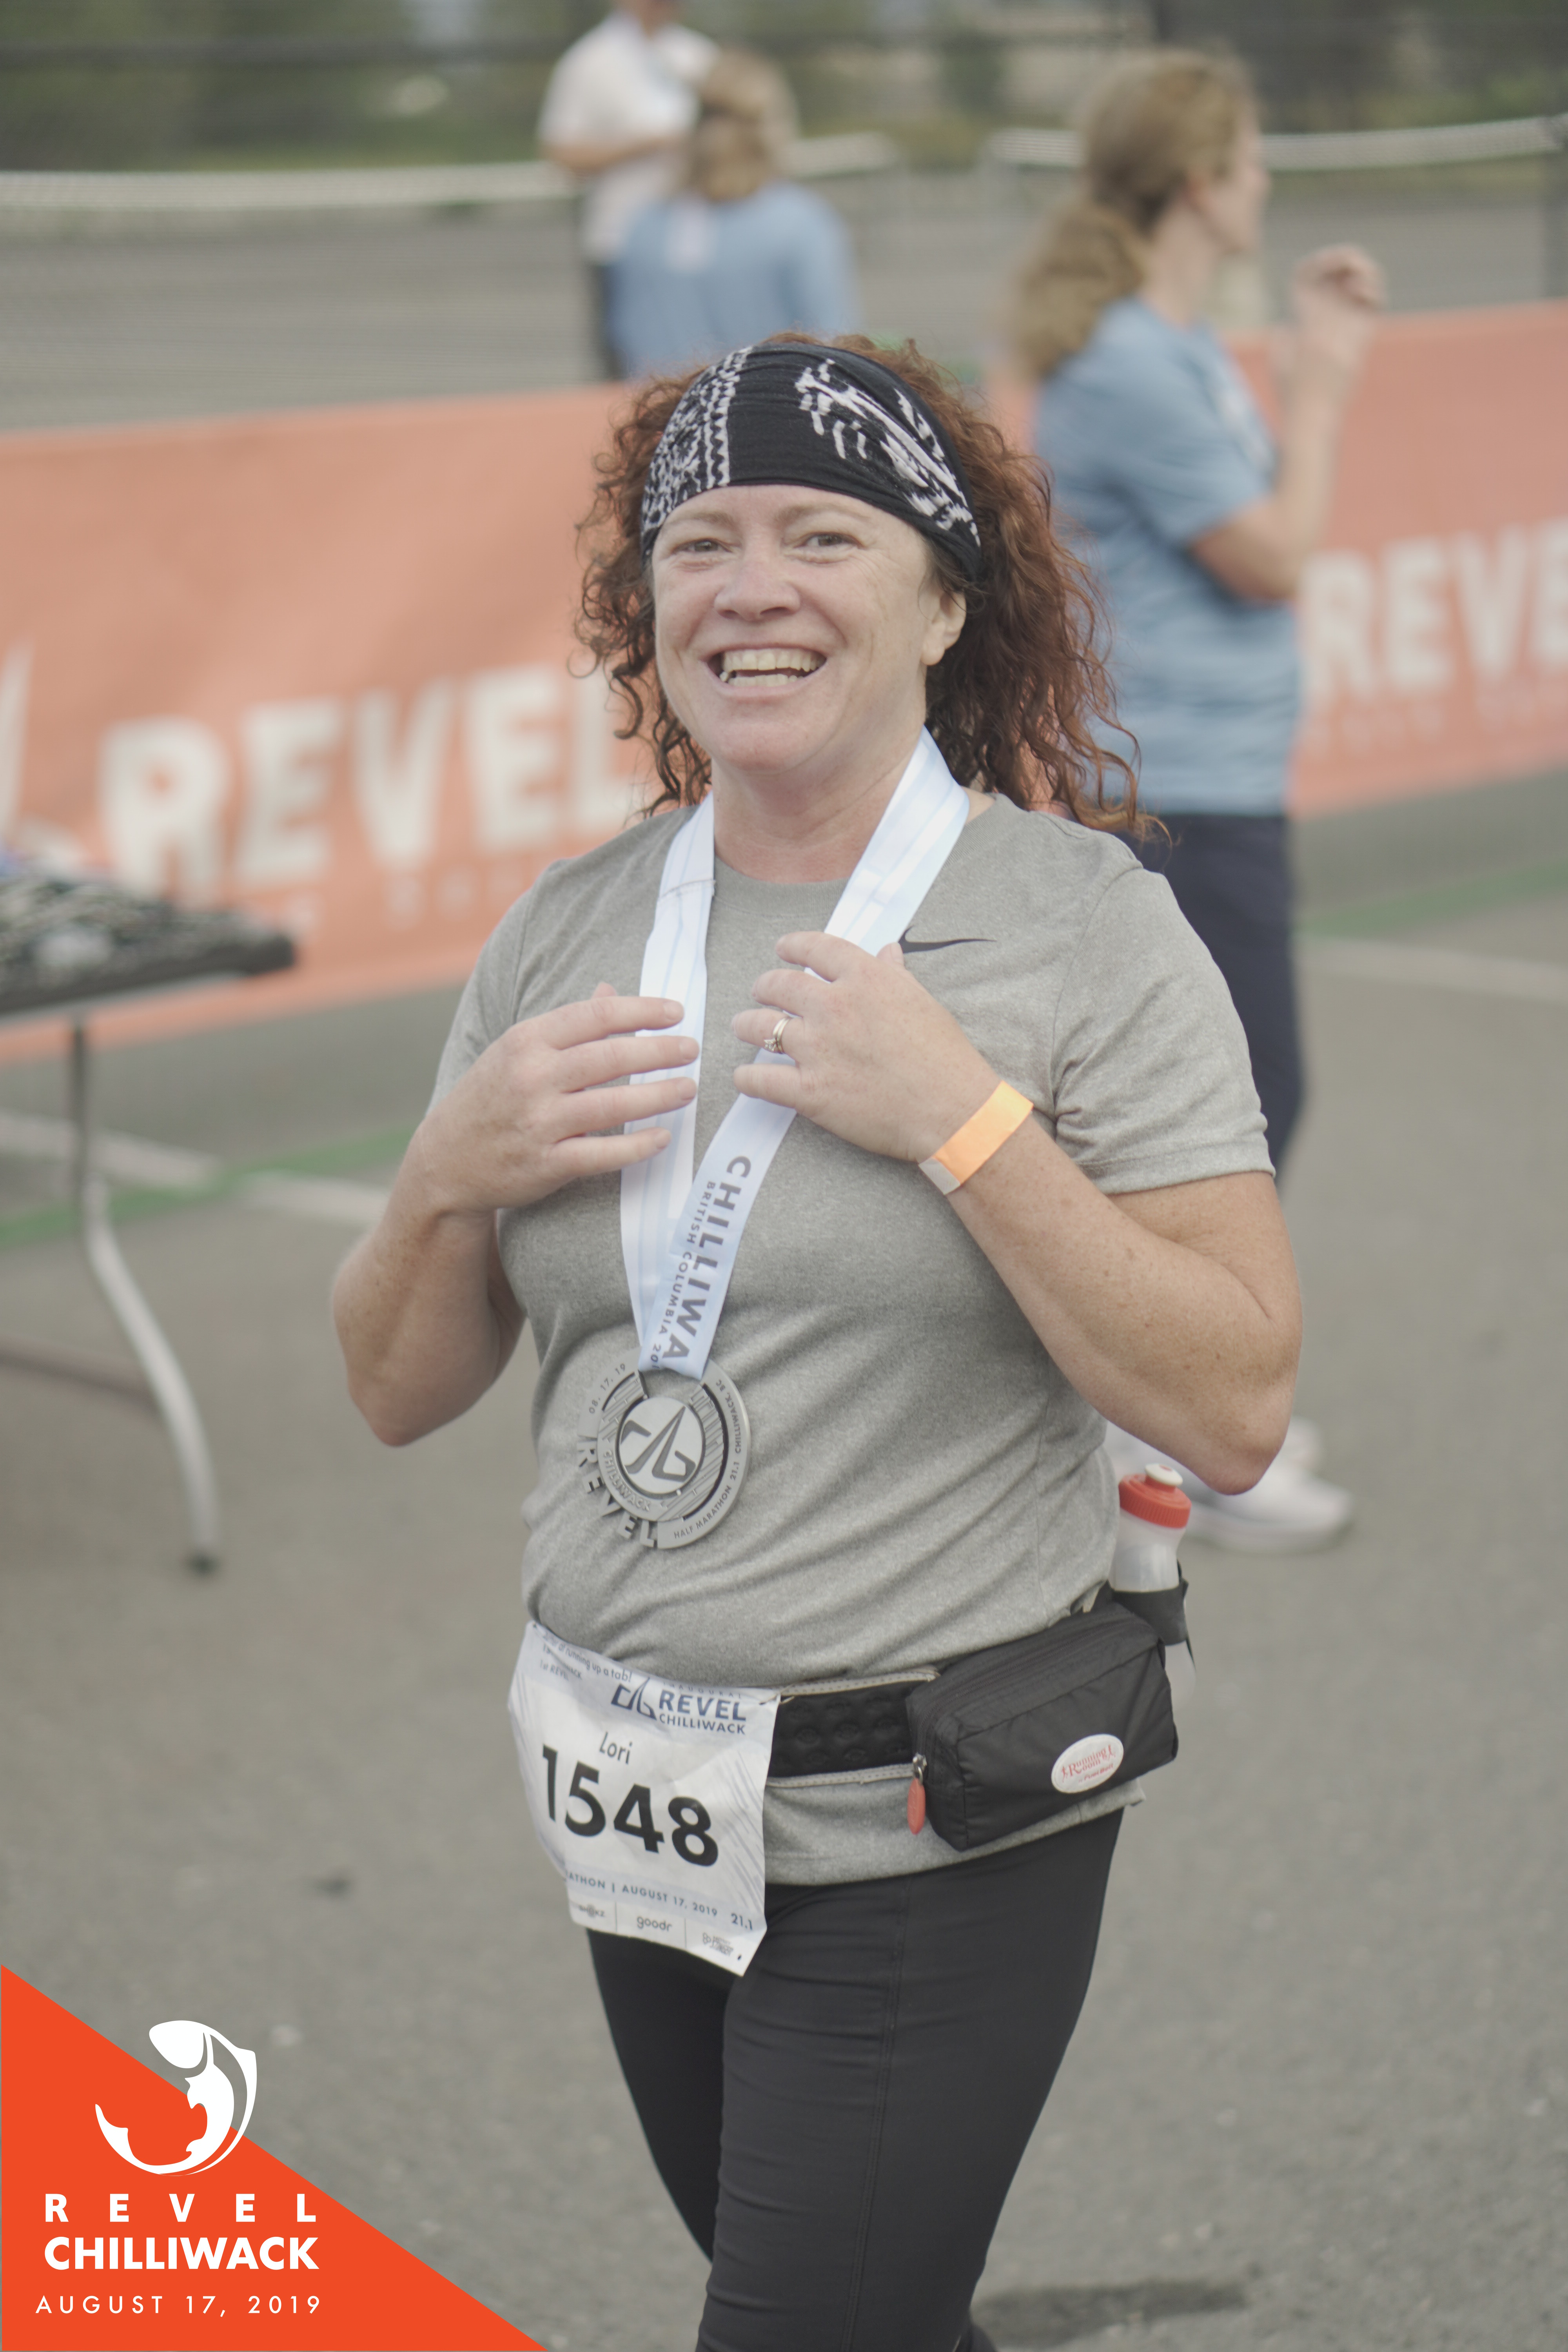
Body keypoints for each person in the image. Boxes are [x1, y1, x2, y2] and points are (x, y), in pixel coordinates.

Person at [332, 334, 1300, 2350]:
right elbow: (396, 1389)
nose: (748, 585)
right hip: (638, 1798)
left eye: (821, 535)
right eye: (699, 540)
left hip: (928, 1816)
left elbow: (1231, 1396)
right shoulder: (569, 925)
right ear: (648, 604)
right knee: (867, 2307)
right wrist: (438, 1175)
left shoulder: (1081, 929)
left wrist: (964, 1124)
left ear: (942, 604)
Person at [1015, 49, 1383, 1550]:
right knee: (1231, 1108)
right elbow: (1272, 555)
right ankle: (1169, 1431)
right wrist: (1323, 384)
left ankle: (1157, 1415)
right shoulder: (1127, 361)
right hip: (1170, 793)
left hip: (1215, 783)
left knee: (1224, 1106)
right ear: (1194, 181)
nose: (1265, 178)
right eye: (1248, 155)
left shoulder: (1168, 347)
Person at [608, 50, 859, 379]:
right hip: (769, 409)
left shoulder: (644, 227)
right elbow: (834, 350)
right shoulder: (802, 226)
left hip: (664, 411)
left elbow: (628, 341)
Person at [539, 0, 718, 379]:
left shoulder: (699, 54)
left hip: (700, 237)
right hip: (619, 241)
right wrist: (646, 145)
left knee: (704, 357)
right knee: (629, 364)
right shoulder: (590, 61)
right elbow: (563, 152)